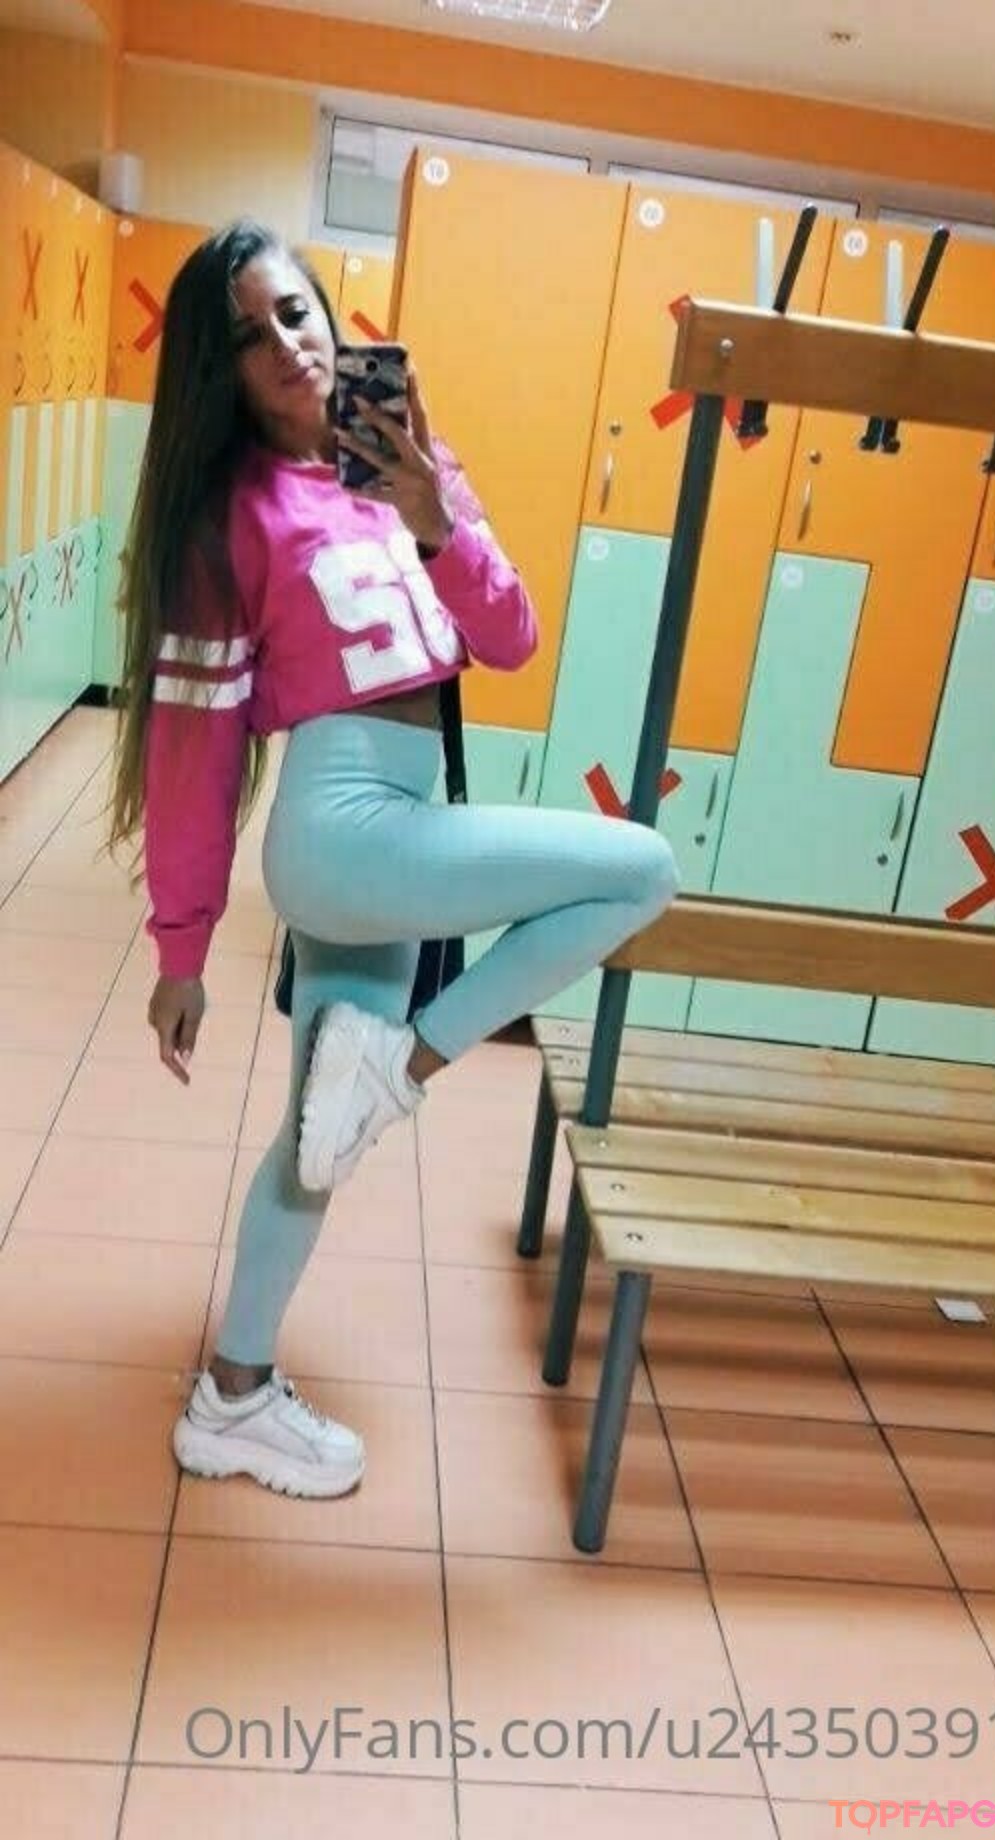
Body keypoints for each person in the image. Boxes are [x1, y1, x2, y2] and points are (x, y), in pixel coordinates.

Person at [108, 218, 679, 1501]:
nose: (286, 345)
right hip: (342, 828)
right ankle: (405, 1066)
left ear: (331, 314)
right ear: (217, 372)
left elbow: (512, 636)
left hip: (395, 834)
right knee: (639, 870)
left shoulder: (407, 459)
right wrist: (181, 952)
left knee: (317, 1144)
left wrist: (434, 517)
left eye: (295, 311)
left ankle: (231, 1397)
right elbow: (194, 755)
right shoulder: (227, 520)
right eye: (247, 337)